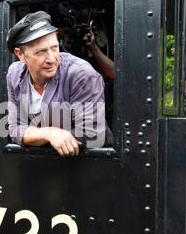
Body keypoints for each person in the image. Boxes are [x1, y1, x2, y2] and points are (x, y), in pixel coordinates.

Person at [6, 11, 109, 156]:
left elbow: (90, 134)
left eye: (54, 48)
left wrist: (32, 134)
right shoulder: (14, 74)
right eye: (41, 52)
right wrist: (50, 133)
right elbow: (14, 129)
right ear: (20, 54)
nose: (52, 59)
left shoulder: (81, 74)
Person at [84, 32, 186, 97]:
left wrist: (163, 100)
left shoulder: (172, 47)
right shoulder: (135, 47)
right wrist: (93, 47)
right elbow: (117, 73)